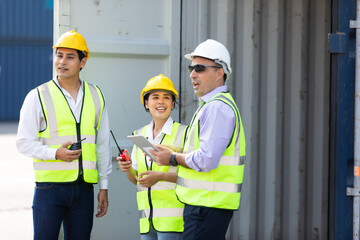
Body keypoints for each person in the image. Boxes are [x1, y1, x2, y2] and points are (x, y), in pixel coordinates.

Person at [16, 30, 112, 240]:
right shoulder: (38, 96)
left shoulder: (96, 95)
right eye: (59, 55)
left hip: (84, 189)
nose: (62, 61)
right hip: (49, 189)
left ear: (83, 62)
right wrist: (54, 153)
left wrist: (103, 186)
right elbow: (23, 143)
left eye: (70, 57)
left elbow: (103, 144)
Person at [150, 39, 246, 240]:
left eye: (200, 68)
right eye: (191, 68)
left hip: (207, 206)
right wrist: (175, 152)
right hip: (205, 205)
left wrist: (173, 158)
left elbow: (206, 160)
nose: (192, 74)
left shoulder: (217, 108)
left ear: (220, 72)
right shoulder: (212, 105)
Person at [117, 74, 188, 240]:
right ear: (146, 104)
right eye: (155, 97)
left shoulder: (185, 134)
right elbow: (136, 180)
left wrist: (161, 177)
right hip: (147, 221)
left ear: (172, 103)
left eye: (166, 97)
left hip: (174, 223)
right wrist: (127, 169)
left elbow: (192, 177)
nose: (161, 102)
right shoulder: (139, 136)